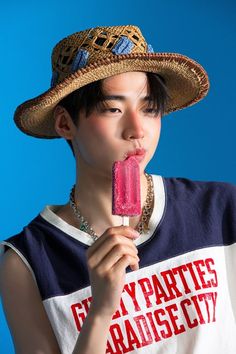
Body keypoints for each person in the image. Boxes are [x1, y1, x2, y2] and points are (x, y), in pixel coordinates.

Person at [0, 25, 235, 354]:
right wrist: (100, 313)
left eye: (149, 108)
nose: (137, 129)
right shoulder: (27, 263)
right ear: (65, 123)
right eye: (113, 109)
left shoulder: (222, 210)